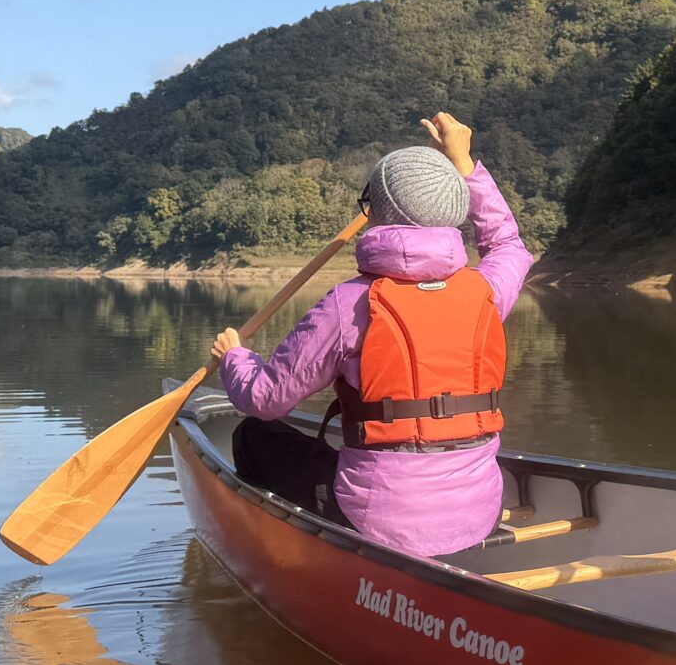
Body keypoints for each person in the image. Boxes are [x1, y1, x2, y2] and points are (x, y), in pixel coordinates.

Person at [211, 112, 533, 560]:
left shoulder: (350, 304)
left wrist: (235, 358)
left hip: (376, 520)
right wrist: (465, 165)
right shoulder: (487, 291)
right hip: (478, 512)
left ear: (377, 213)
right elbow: (508, 245)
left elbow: (265, 400)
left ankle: (276, 558)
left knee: (252, 434)